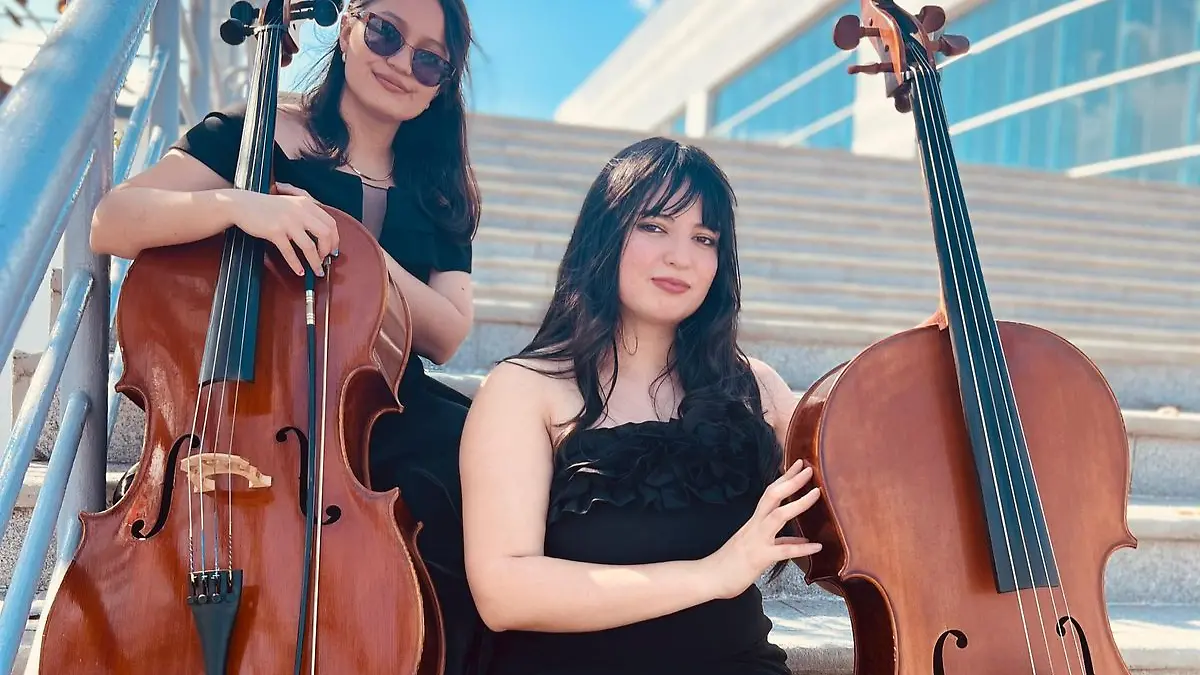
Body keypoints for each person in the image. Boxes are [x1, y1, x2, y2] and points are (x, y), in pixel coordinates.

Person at [88, 0, 487, 672]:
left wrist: (349, 237)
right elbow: (114, 219)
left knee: (475, 472)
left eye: (429, 59)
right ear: (350, 21)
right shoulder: (251, 137)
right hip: (244, 402)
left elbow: (447, 331)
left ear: (443, 81)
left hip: (379, 404)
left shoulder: (438, 189)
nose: (401, 65)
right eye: (387, 33)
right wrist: (241, 203)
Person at [458, 136, 825, 675]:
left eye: (704, 238)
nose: (680, 256)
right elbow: (503, 593)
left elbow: (870, 500)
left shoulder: (758, 389)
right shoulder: (524, 389)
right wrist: (710, 575)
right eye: (654, 226)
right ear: (605, 235)